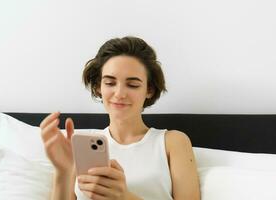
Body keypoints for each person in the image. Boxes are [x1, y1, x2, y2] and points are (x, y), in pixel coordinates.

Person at [39, 36, 200, 200]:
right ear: (98, 87)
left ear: (149, 90)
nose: (119, 94)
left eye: (132, 85)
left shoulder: (172, 142)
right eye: (109, 83)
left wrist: (124, 197)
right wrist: (63, 172)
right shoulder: (80, 148)